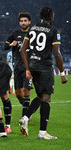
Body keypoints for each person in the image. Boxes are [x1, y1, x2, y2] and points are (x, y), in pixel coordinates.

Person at [19, 7, 68, 139]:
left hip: (33, 66)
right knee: (46, 98)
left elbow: (22, 50)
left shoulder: (32, 29)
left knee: (41, 96)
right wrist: (62, 73)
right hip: (45, 67)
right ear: (51, 16)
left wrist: (28, 68)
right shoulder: (53, 31)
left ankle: (25, 117)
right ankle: (42, 132)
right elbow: (57, 53)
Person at [4, 12, 32, 117]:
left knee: (26, 91)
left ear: (29, 22)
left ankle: (25, 117)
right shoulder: (15, 34)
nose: (23, 23)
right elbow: (5, 46)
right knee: (18, 93)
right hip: (17, 67)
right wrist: (11, 44)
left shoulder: (33, 34)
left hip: (28, 67)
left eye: (25, 21)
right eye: (21, 21)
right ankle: (27, 108)